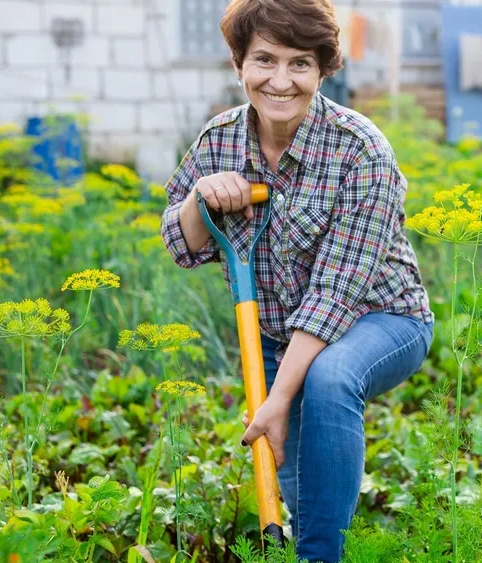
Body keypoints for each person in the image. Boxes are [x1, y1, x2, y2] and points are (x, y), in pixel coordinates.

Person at [158, 0, 434, 559]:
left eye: (300, 64)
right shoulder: (219, 141)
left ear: (324, 69)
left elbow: (338, 293)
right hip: (280, 335)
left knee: (328, 380)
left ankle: (318, 556)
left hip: (383, 316)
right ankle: (314, 538)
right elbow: (180, 243)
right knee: (303, 489)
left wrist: (277, 397)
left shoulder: (361, 150)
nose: (280, 81)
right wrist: (199, 198)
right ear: (239, 64)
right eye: (264, 60)